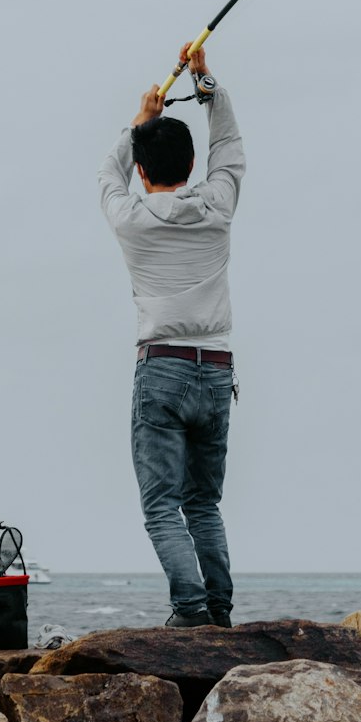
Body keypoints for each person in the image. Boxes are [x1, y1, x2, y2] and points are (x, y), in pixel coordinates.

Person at [99, 42, 245, 628]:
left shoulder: (130, 218)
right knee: (203, 503)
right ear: (190, 167)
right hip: (216, 369)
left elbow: (108, 171)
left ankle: (190, 614)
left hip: (161, 367)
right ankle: (220, 613)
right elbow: (229, 149)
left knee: (162, 506)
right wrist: (208, 87)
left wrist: (141, 121)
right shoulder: (218, 205)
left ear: (143, 170)